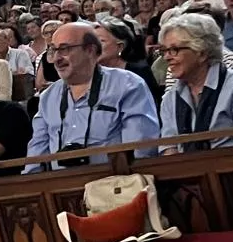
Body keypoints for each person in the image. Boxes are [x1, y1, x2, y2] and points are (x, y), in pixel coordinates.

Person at [25, 22, 159, 171]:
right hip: (60, 188)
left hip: (115, 184)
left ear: (90, 50)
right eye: (53, 50)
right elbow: (35, 157)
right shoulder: (48, 97)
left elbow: (141, 150)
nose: (57, 58)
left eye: (64, 49)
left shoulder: (128, 85)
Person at [157, 14, 233, 153]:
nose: (167, 57)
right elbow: (169, 148)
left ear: (202, 53)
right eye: (164, 51)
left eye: (174, 50)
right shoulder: (171, 98)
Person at [94, 16, 163, 104]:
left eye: (101, 41)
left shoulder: (139, 72)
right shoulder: (90, 73)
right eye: (92, 41)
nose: (94, 46)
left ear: (120, 47)